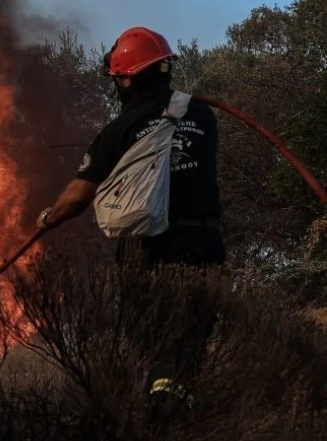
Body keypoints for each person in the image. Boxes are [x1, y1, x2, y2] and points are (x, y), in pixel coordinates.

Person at [36, 26, 224, 418]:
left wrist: (49, 219)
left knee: (153, 340)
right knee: (190, 339)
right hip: (207, 245)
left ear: (126, 79)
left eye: (119, 78)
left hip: (152, 251)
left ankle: (160, 412)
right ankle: (185, 405)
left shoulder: (119, 131)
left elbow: (78, 196)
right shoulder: (202, 114)